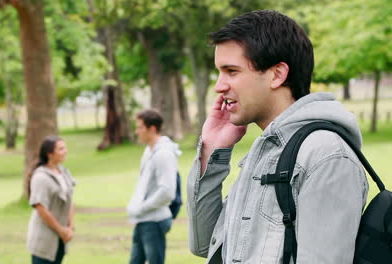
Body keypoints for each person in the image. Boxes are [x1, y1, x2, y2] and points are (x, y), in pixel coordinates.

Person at [187, 10, 368, 264]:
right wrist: (212, 151)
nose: (219, 85)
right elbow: (205, 244)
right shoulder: (267, 150)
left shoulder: (325, 155)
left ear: (277, 74)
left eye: (231, 71)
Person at [127, 109, 181, 264]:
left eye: (139, 127)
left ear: (152, 128)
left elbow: (167, 191)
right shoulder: (148, 151)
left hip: (154, 219)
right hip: (143, 219)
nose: (137, 132)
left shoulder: (164, 154)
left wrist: (142, 207)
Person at [27, 136, 76, 264]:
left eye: (65, 148)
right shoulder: (41, 177)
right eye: (61, 149)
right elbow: (41, 209)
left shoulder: (64, 173)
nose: (65, 151)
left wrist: (70, 227)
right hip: (44, 240)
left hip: (61, 239)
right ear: (50, 154)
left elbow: (70, 201)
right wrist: (61, 230)